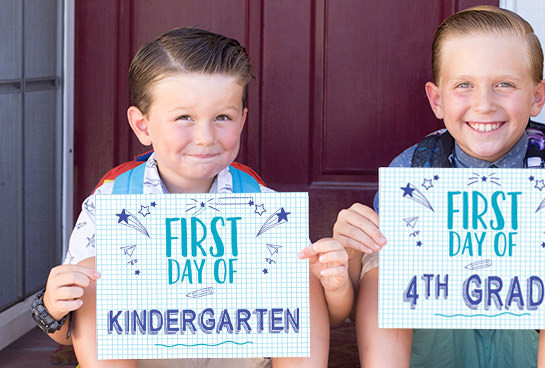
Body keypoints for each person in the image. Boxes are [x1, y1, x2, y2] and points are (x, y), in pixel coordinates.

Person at [332, 6, 545, 367]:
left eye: (504, 84)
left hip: (532, 346)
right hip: (438, 345)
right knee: (383, 266)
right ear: (437, 99)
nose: (483, 104)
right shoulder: (414, 170)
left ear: (537, 97)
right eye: (464, 85)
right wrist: (352, 254)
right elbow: (364, 300)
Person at [36, 28, 352, 368]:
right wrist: (52, 307)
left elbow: (329, 317)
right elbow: (67, 328)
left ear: (242, 121)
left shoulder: (260, 202)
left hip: (235, 350)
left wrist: (334, 286)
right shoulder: (113, 199)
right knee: (92, 275)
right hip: (147, 353)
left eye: (222, 118)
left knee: (300, 274)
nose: (204, 137)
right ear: (143, 126)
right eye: (184, 117)